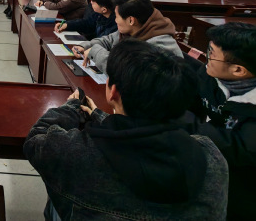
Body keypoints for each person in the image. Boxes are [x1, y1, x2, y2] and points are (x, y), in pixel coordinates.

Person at [23, 39, 228, 220]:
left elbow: (36, 139)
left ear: (113, 92)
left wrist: (71, 107)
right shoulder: (211, 155)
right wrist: (100, 116)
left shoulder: (75, 151)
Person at [186, 22, 256, 220]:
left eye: (212, 53)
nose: (207, 57)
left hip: (248, 194)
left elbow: (236, 148)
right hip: (207, 170)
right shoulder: (211, 75)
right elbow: (189, 99)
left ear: (238, 70)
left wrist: (181, 121)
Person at [73, 0, 182, 73]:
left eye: (117, 17)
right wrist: (86, 46)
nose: (115, 20)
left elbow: (127, 72)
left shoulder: (160, 45)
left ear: (131, 20)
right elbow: (108, 40)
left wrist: (95, 52)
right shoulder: (134, 29)